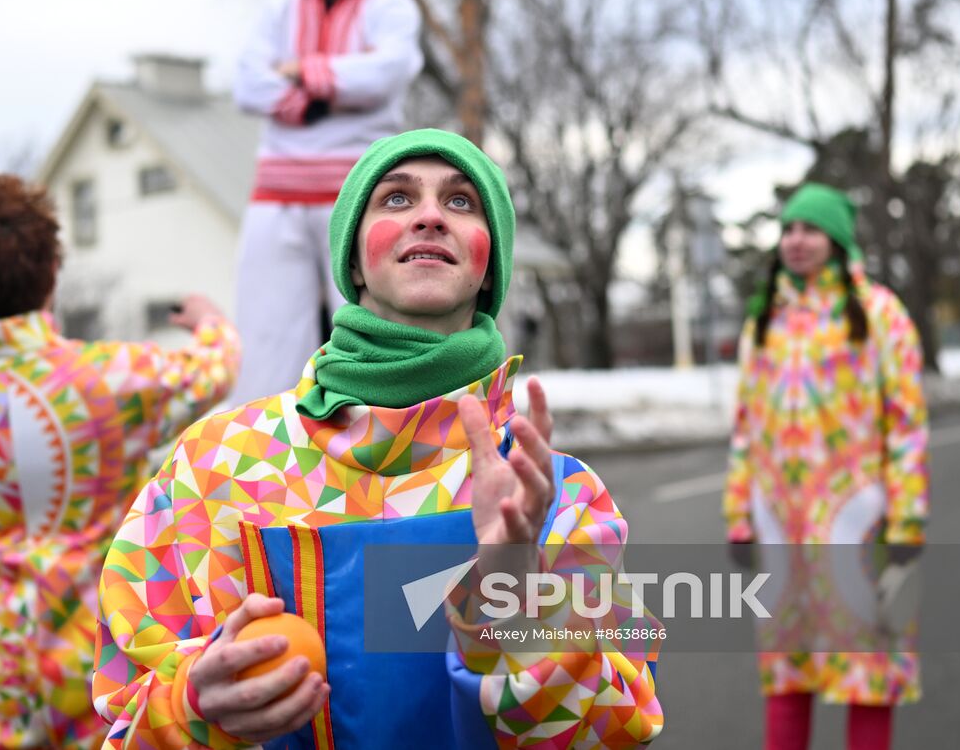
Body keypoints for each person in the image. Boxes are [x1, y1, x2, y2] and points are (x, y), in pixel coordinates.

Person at [93, 129, 663, 749]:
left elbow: (616, 728)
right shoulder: (214, 465)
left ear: (487, 265)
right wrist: (192, 710)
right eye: (395, 199)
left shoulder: (558, 495)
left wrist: (520, 605)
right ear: (353, 258)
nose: (429, 216)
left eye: (461, 202)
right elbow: (125, 723)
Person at [0, 174, 240, 749]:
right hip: (94, 650)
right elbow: (217, 367)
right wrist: (210, 320)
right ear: (53, 270)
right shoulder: (115, 379)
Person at [724, 183, 930, 750]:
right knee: (787, 669)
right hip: (780, 523)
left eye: (810, 228)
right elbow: (746, 424)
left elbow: (907, 424)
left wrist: (908, 519)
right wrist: (739, 514)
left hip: (859, 523)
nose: (795, 240)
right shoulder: (766, 319)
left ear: (837, 240)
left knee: (868, 670)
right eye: (788, 229)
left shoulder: (881, 314)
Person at [229, 0, 423, 403]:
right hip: (278, 191)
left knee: (371, 320)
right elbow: (247, 85)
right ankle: (265, 452)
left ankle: (383, 432)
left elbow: (387, 73)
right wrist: (323, 94)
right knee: (265, 327)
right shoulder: (279, 5)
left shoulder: (392, 6)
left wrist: (301, 71)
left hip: (357, 190)